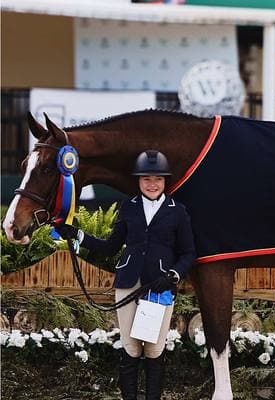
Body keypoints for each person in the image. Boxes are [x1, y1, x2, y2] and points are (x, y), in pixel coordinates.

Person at [56, 150, 196, 400]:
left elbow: (188, 253)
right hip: (128, 284)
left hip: (159, 287)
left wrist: (173, 275)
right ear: (138, 181)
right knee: (131, 346)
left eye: (157, 179)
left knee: (154, 348)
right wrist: (77, 234)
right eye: (146, 179)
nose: (152, 184)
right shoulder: (128, 207)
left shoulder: (178, 211)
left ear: (165, 181)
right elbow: (110, 246)